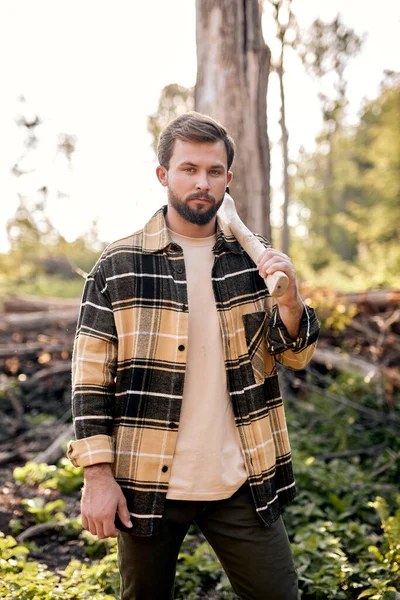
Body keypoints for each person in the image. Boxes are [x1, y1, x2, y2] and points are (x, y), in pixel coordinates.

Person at [68, 111, 319, 600]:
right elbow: (90, 380)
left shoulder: (254, 263)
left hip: (242, 481)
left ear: (228, 178)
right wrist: (97, 478)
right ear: (163, 175)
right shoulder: (119, 267)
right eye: (189, 169)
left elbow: (294, 356)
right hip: (147, 483)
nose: (202, 183)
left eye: (213, 171)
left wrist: (290, 303)